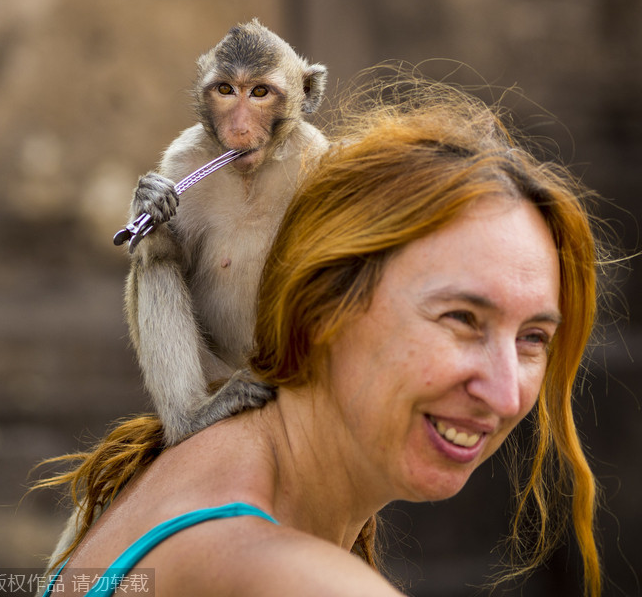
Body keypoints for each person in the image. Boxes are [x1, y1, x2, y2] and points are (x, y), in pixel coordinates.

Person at [34, 73, 603, 597]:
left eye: (533, 338)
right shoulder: (288, 575)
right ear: (322, 303)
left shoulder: (183, 481)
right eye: (461, 319)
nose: (506, 395)